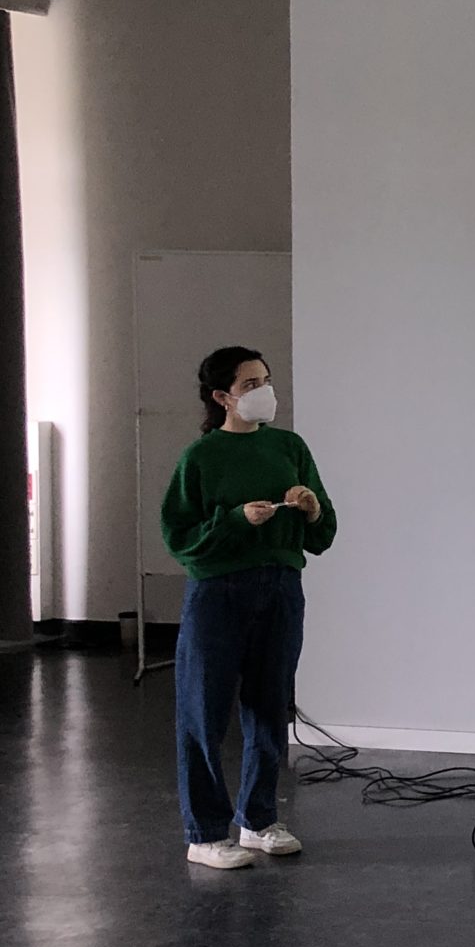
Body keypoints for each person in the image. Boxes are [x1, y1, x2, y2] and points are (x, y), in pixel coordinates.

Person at [158, 347, 338, 870]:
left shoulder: (289, 447)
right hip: (218, 594)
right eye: (251, 384)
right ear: (223, 397)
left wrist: (311, 510)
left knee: (269, 707)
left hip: (280, 588)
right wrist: (236, 520)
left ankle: (258, 820)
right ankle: (205, 833)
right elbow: (181, 539)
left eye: (266, 380)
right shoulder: (201, 458)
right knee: (204, 711)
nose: (265, 391)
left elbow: (323, 534)